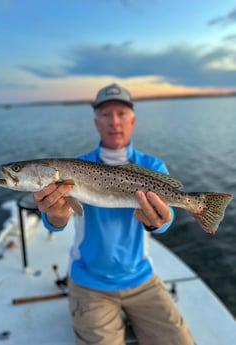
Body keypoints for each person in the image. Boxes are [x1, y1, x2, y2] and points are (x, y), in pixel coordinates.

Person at [33, 83, 194, 345]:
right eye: (106, 114)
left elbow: (167, 219)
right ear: (96, 122)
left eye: (121, 113)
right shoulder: (75, 166)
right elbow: (56, 223)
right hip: (89, 282)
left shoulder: (152, 166)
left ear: (133, 120)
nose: (114, 121)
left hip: (142, 278)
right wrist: (56, 217)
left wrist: (158, 222)